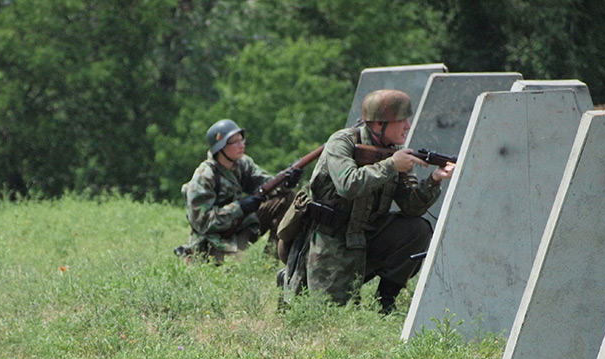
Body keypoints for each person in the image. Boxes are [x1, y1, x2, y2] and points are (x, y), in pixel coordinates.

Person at [283, 89, 454, 313]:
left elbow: (411, 208)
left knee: (417, 230)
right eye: (401, 120)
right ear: (378, 124)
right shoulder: (342, 142)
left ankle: (386, 302)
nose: (408, 126)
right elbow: (347, 185)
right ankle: (295, 276)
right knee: (330, 314)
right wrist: (391, 166)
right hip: (331, 239)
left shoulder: (395, 152)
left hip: (365, 236)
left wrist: (434, 179)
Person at [179, 119, 301, 262]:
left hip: (238, 228)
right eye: (234, 142)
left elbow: (268, 184)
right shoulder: (204, 176)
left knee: (287, 197)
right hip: (212, 242)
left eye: (241, 139)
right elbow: (202, 223)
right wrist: (239, 208)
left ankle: (270, 261)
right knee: (225, 267)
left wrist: (286, 181)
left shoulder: (243, 163)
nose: (241, 145)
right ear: (221, 147)